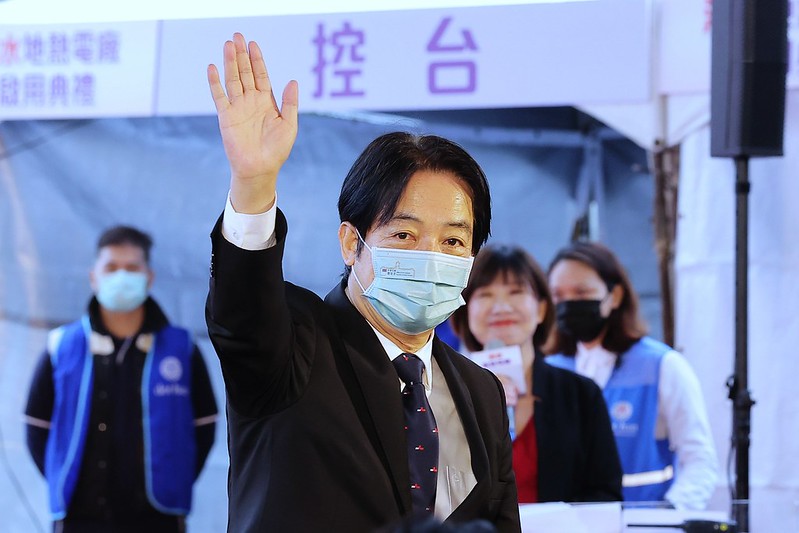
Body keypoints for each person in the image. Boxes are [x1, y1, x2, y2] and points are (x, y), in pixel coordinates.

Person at [205, 33, 520, 532]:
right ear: (352, 243)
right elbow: (243, 311)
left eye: (453, 241)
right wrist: (253, 183)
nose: (430, 257)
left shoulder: (481, 391)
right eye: (404, 234)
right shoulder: (294, 344)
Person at [24, 226, 218, 532]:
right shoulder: (61, 345)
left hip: (158, 518)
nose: (121, 276)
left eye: (132, 268)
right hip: (79, 518)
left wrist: (174, 479)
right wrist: (63, 477)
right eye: (111, 267)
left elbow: (204, 426)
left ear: (149, 277)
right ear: (94, 276)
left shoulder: (182, 348)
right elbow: (36, 427)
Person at [545, 241, 718, 509]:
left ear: (614, 296)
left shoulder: (661, 366)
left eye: (582, 292)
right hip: (568, 522)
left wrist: (670, 511)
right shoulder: (551, 370)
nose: (569, 304)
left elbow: (699, 459)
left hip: (643, 519)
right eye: (558, 295)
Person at [450, 244, 622, 504]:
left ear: (541, 309)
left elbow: (605, 493)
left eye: (516, 292)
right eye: (485, 294)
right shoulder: (439, 392)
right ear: (465, 310)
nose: (501, 307)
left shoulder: (580, 395)